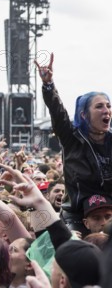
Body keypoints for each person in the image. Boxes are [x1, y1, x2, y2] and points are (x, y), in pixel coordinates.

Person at [35, 53, 112, 234]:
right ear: (84, 115)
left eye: (108, 106)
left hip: (109, 212)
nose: (106, 110)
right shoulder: (72, 138)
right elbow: (58, 113)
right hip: (78, 214)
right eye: (99, 106)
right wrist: (48, 85)